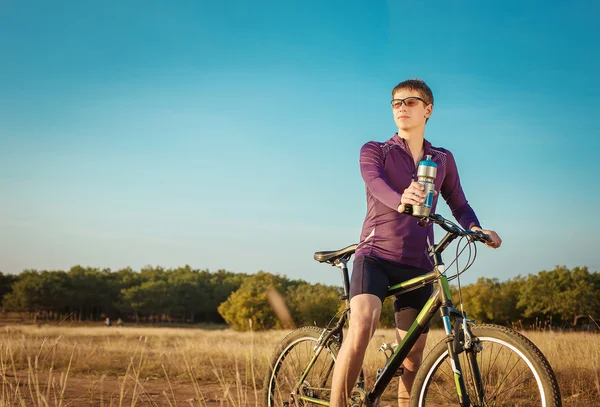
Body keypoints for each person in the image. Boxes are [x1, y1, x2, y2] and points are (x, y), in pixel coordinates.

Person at [329, 79, 502, 407]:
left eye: (410, 102)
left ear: (428, 109)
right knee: (362, 324)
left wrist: (477, 228)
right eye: (396, 103)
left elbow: (459, 202)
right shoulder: (375, 150)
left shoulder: (442, 159)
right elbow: (375, 183)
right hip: (376, 256)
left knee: (411, 359)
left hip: (419, 264)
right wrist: (401, 199)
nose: (402, 108)